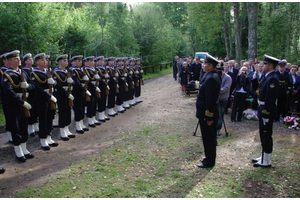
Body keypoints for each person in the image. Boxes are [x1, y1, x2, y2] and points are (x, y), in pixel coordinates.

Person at [2, 50, 35, 162]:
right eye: (15, 58)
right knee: (15, 127)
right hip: (13, 104)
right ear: (10, 61)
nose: (18, 59)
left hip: (23, 103)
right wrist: (22, 102)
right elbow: (9, 92)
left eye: (18, 58)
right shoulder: (7, 74)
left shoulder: (23, 73)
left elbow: (32, 85)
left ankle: (24, 148)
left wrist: (28, 86)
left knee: (23, 125)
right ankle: (18, 151)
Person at [252, 54, 280, 168]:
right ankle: (263, 155)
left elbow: (270, 98)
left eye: (265, 64)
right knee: (262, 133)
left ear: (271, 65)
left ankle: (267, 159)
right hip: (262, 107)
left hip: (266, 109)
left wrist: (266, 112)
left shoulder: (272, 78)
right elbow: (259, 90)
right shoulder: (267, 76)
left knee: (266, 134)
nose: (263, 65)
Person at [196, 54, 221, 168]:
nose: (203, 65)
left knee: (209, 138)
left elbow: (211, 100)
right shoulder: (210, 75)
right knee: (207, 138)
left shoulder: (211, 78)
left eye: (205, 63)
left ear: (210, 66)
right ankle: (208, 158)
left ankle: (209, 161)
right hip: (204, 114)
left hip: (208, 115)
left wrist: (209, 117)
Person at [31, 53, 58, 150]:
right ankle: (43, 139)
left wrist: (53, 82)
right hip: (41, 98)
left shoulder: (48, 71)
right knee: (43, 118)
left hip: (50, 97)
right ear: (37, 61)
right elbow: (37, 87)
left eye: (45, 60)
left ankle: (49, 136)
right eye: (42, 60)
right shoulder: (34, 73)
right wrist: (49, 96)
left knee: (50, 116)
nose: (45, 61)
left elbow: (53, 83)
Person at [52, 54, 76, 140]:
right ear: (59, 62)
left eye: (66, 60)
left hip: (68, 93)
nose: (66, 62)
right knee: (62, 112)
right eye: (64, 60)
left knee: (68, 111)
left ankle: (67, 129)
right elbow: (58, 86)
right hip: (61, 94)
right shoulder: (56, 73)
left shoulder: (67, 72)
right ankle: (62, 131)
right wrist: (67, 94)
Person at [70, 55, 90, 133]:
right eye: (78, 61)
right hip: (77, 92)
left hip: (82, 91)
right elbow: (77, 83)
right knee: (78, 108)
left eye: (80, 61)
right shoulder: (73, 71)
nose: (80, 62)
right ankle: (78, 125)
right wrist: (84, 89)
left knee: (82, 108)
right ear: (73, 62)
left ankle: (81, 124)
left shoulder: (81, 70)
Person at [22, 53, 39, 137]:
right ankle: (31, 127)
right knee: (31, 110)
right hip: (30, 93)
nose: (31, 60)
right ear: (25, 62)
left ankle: (36, 126)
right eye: (29, 59)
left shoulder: (35, 70)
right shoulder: (24, 71)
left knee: (36, 110)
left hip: (36, 93)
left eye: (31, 59)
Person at [83, 56, 101, 127]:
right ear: (87, 62)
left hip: (95, 88)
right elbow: (88, 82)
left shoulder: (94, 70)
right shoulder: (86, 70)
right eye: (90, 61)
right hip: (90, 89)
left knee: (94, 103)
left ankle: (93, 117)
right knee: (90, 104)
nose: (92, 62)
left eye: (93, 61)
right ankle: (90, 119)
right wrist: (94, 87)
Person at [216, 65, 232, 137]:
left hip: (223, 99)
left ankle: (218, 129)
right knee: (215, 113)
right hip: (216, 98)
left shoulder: (227, 78)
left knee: (220, 114)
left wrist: (215, 91)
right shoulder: (216, 77)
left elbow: (226, 88)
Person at [94, 56, 110, 122]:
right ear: (97, 62)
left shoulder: (103, 69)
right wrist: (105, 84)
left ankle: (103, 113)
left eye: (102, 61)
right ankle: (100, 115)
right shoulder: (97, 70)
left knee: (104, 99)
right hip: (100, 86)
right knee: (100, 101)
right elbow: (100, 79)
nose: (101, 62)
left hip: (104, 86)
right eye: (100, 61)